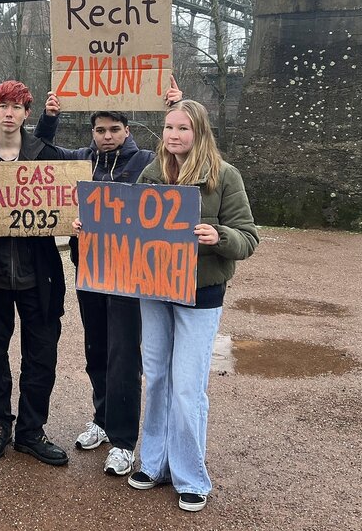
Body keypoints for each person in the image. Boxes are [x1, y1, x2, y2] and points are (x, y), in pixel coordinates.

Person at [41, 79, 182, 477]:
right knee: (96, 349)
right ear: (92, 133)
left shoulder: (147, 162)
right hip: (89, 271)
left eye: (114, 130)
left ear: (127, 131)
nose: (106, 137)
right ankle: (102, 419)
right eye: (100, 130)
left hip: (129, 275)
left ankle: (123, 441)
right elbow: (43, 154)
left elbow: (182, 160)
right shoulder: (82, 160)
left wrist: (179, 104)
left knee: (123, 355)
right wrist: (50, 117)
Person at [128, 98, 258, 512]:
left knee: (187, 388)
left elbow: (248, 237)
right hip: (154, 289)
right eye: (169, 128)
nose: (174, 136)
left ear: (199, 132)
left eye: (183, 129)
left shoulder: (224, 177)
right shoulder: (152, 173)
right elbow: (127, 223)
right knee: (158, 378)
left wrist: (218, 235)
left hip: (200, 295)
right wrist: (91, 227)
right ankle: (153, 462)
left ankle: (190, 476)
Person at [0, 80, 69, 466]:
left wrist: (74, 219)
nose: (9, 113)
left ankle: (30, 430)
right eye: (2, 105)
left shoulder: (47, 156)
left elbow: (66, 203)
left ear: (27, 113)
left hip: (38, 276)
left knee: (41, 355)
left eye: (17, 107)